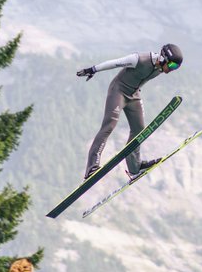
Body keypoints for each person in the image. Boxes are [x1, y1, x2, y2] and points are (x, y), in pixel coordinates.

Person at [76, 43, 183, 180]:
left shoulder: (160, 69)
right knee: (109, 125)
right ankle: (92, 166)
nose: (171, 70)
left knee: (139, 130)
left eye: (176, 68)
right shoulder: (139, 59)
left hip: (134, 95)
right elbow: (115, 63)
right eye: (172, 66)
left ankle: (134, 168)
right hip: (118, 92)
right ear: (163, 58)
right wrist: (93, 69)